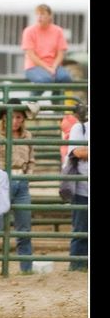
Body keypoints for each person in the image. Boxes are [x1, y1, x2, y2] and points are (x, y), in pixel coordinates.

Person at [0, 98, 36, 276]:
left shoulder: (28, 136)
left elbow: (32, 159)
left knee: (24, 227)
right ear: (4, 118)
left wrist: (28, 174)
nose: (16, 121)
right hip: (1, 182)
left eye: (19, 117)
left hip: (21, 182)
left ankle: (26, 268)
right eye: (12, 117)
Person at [22, 4, 72, 97]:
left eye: (43, 14)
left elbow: (61, 53)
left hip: (54, 66)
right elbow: (31, 55)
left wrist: (53, 67)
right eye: (37, 14)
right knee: (45, 80)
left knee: (65, 78)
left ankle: (56, 102)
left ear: (50, 16)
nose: (39, 17)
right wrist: (48, 68)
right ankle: (31, 104)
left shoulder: (58, 31)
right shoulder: (29, 31)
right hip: (34, 66)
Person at [67, 104, 88, 272]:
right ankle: (78, 266)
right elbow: (77, 152)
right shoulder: (79, 128)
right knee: (81, 229)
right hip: (83, 187)